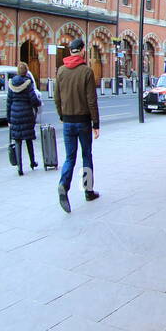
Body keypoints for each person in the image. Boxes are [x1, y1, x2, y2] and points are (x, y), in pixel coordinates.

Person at [53, 38, 100, 212]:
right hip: (83, 122)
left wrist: (61, 115)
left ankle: (64, 185)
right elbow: (91, 100)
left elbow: (56, 97)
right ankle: (88, 191)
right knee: (86, 155)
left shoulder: (61, 71)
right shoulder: (86, 71)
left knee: (69, 157)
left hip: (67, 122)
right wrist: (96, 123)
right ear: (80, 51)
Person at [6, 60, 41, 176]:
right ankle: (32, 162)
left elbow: (8, 102)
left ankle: (20, 168)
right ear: (26, 72)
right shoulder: (28, 83)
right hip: (26, 113)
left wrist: (9, 118)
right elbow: (33, 99)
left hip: (15, 114)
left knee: (18, 141)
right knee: (28, 139)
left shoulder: (11, 84)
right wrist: (38, 103)